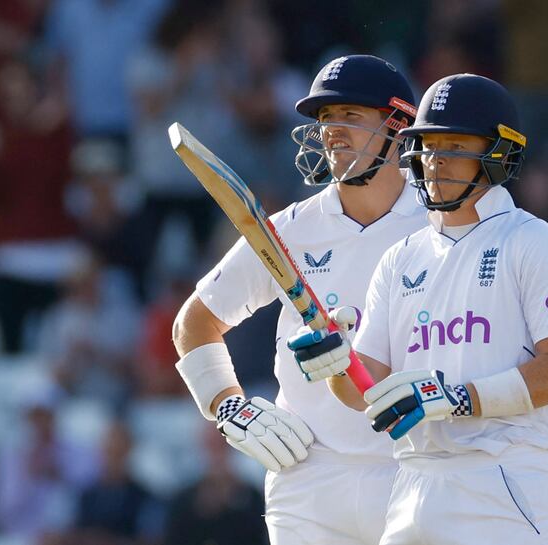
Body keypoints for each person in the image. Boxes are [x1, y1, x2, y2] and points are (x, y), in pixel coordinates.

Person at [290, 74, 548, 544]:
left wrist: (457, 398)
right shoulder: (401, 256)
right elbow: (364, 388)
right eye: (426, 146)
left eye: (454, 146)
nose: (435, 161)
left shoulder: (533, 241)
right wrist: (335, 362)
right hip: (411, 486)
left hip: (503, 484)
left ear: (495, 153)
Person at [172, 54, 426, 545]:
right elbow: (194, 323)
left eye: (350, 116)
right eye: (326, 119)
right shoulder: (291, 228)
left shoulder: (439, 228)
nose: (332, 131)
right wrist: (230, 408)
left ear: (398, 125)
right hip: (307, 478)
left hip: (410, 470)